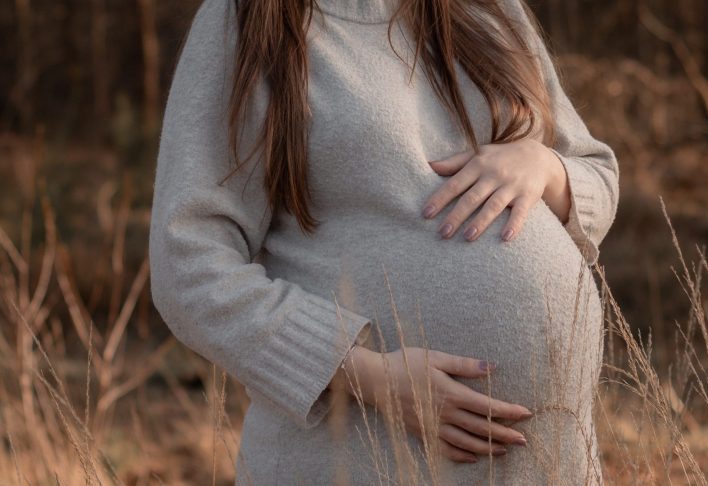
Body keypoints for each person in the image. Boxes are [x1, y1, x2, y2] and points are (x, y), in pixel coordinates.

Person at [148, 0, 619, 483]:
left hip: (548, 464)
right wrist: (366, 376)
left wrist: (544, 165)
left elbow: (597, 177)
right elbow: (188, 262)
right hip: (357, 458)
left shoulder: (495, 8)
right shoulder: (247, 17)